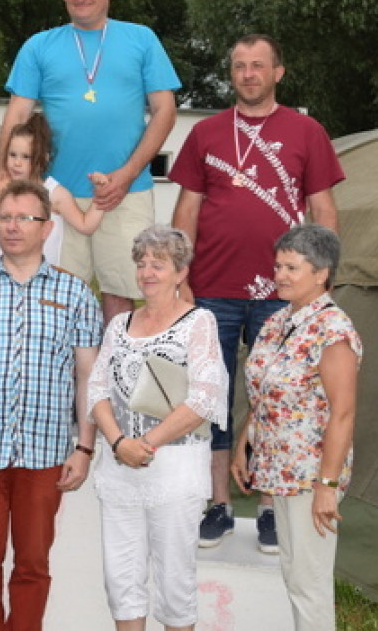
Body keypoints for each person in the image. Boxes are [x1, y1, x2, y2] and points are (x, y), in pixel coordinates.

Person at [169, 33, 345, 553]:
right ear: (232, 73)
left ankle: (270, 509)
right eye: (240, 66)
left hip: (283, 294)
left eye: (258, 65)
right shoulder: (205, 133)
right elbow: (187, 208)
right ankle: (219, 504)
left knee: (279, 400)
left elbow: (323, 208)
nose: (248, 74)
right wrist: (181, 277)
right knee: (212, 399)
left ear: (277, 73)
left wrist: (322, 279)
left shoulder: (307, 131)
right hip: (213, 289)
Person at [0, 179, 103, 631]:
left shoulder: (75, 294)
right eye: (5, 218)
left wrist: (84, 447)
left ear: (47, 228)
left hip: (46, 453)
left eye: (24, 218)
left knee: (32, 565)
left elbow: (88, 375)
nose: (11, 227)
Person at [2, 0, 181, 323]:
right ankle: (69, 365)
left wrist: (127, 174)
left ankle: (115, 363)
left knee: (122, 293)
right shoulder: (39, 45)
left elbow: (165, 111)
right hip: (56, 194)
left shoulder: (141, 39)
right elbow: (16, 115)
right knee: (56, 299)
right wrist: (6, 180)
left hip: (126, 192)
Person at [87, 225, 229, 631]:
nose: (147, 272)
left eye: (159, 264)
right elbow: (96, 388)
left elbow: (203, 398)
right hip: (119, 469)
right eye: (142, 263)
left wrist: (145, 445)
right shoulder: (119, 324)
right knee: (121, 581)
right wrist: (119, 443)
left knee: (174, 584)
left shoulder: (199, 322)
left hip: (175, 470)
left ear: (180, 272)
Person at [231, 224, 361, 631]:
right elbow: (263, 391)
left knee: (309, 583)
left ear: (321, 273)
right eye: (278, 266)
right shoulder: (278, 321)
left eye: (291, 268)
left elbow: (343, 412)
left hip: (310, 474)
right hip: (277, 468)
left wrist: (327, 485)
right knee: (294, 575)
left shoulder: (333, 330)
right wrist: (244, 444)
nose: (280, 275)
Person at [0, 111, 105, 268]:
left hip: (40, 278)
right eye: (13, 155)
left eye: (26, 157)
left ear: (43, 158)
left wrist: (100, 192)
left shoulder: (54, 194)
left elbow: (85, 225)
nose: (17, 163)